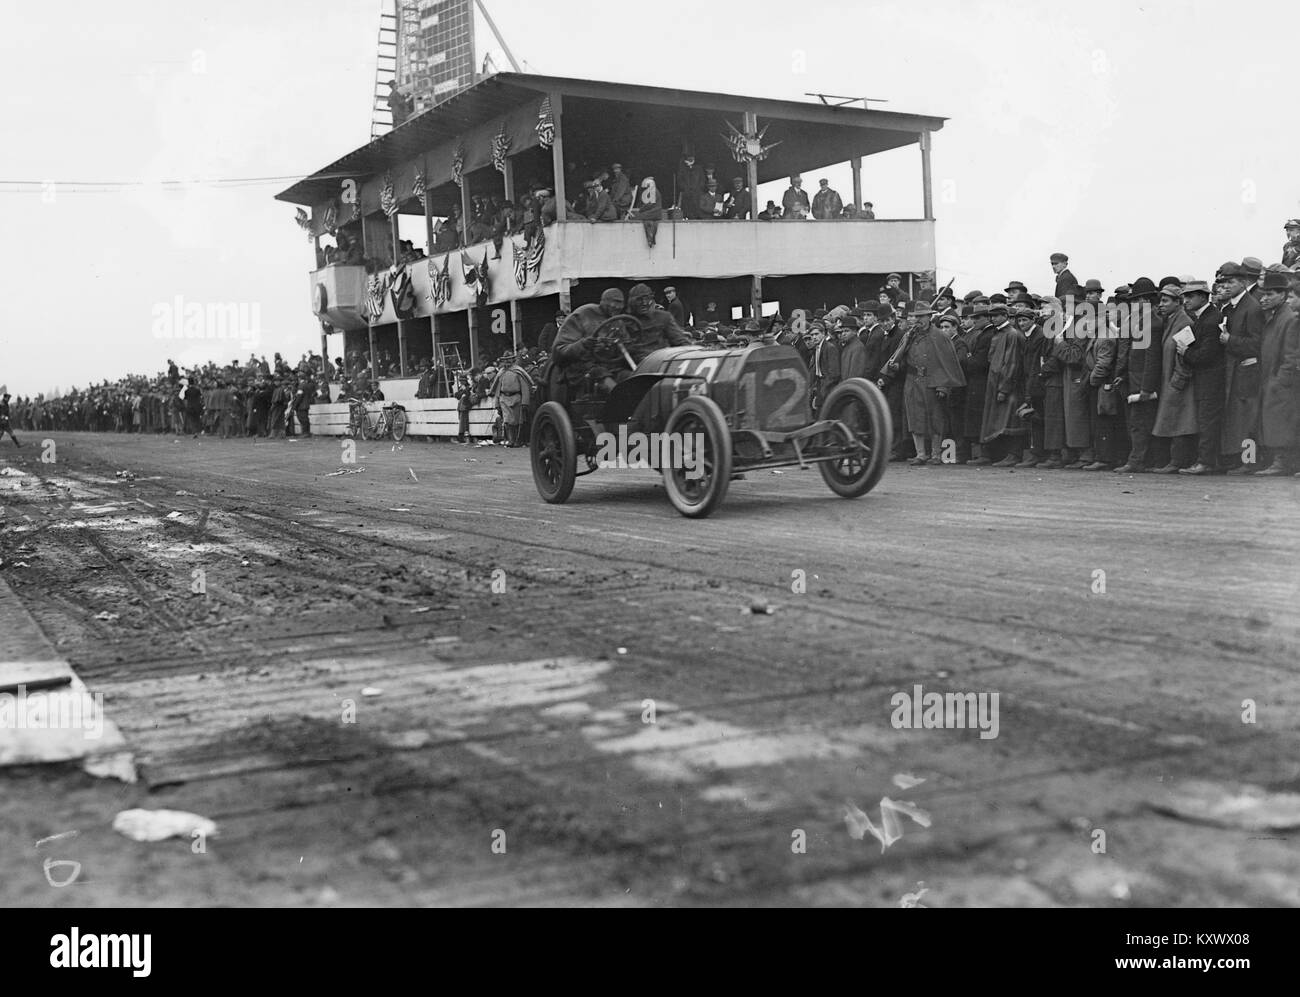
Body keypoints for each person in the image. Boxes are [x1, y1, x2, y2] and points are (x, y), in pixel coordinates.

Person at [1216, 262, 1264, 474]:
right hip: (1233, 371)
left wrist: (1230, 339)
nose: (1226, 286)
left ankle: (1249, 462)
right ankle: (1238, 460)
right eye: (1224, 282)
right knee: (1236, 419)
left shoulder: (1251, 307)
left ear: (1244, 282)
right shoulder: (1231, 306)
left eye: (1231, 282)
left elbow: (1257, 344)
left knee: (1247, 418)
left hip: (1246, 372)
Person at [899, 310, 966, 464]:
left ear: (929, 317)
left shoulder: (940, 336)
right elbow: (899, 355)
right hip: (912, 381)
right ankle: (920, 454)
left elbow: (947, 362)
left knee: (935, 419)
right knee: (915, 418)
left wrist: (943, 386)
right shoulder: (909, 335)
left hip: (932, 381)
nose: (917, 319)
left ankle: (936, 453)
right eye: (915, 316)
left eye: (921, 316)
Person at [1177, 279, 1226, 475]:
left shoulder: (1210, 319)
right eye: (1184, 296)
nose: (1186, 300)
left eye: (1190, 296)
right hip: (1207, 379)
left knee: (1207, 421)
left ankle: (1205, 461)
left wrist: (1185, 352)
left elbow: (1207, 355)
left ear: (1202, 297)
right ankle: (1207, 460)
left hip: (1210, 380)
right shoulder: (1205, 317)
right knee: (1206, 420)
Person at [553, 288, 629, 396]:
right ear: (603, 301)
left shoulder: (618, 321)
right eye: (615, 301)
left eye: (621, 303)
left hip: (612, 367)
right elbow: (559, 351)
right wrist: (584, 344)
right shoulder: (582, 315)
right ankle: (619, 403)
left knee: (632, 379)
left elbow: (626, 345)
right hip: (583, 369)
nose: (618, 306)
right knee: (609, 385)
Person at [629, 176, 662, 246]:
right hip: (654, 212)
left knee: (637, 216)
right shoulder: (653, 190)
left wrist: (641, 209)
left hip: (654, 212)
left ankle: (650, 238)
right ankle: (651, 238)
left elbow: (649, 204)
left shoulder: (653, 191)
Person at [675, 153, 704, 219]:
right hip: (687, 193)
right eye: (689, 158)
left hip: (697, 193)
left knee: (697, 209)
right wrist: (685, 188)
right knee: (687, 209)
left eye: (692, 158)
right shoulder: (683, 169)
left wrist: (699, 188)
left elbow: (702, 180)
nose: (690, 159)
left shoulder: (699, 169)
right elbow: (679, 181)